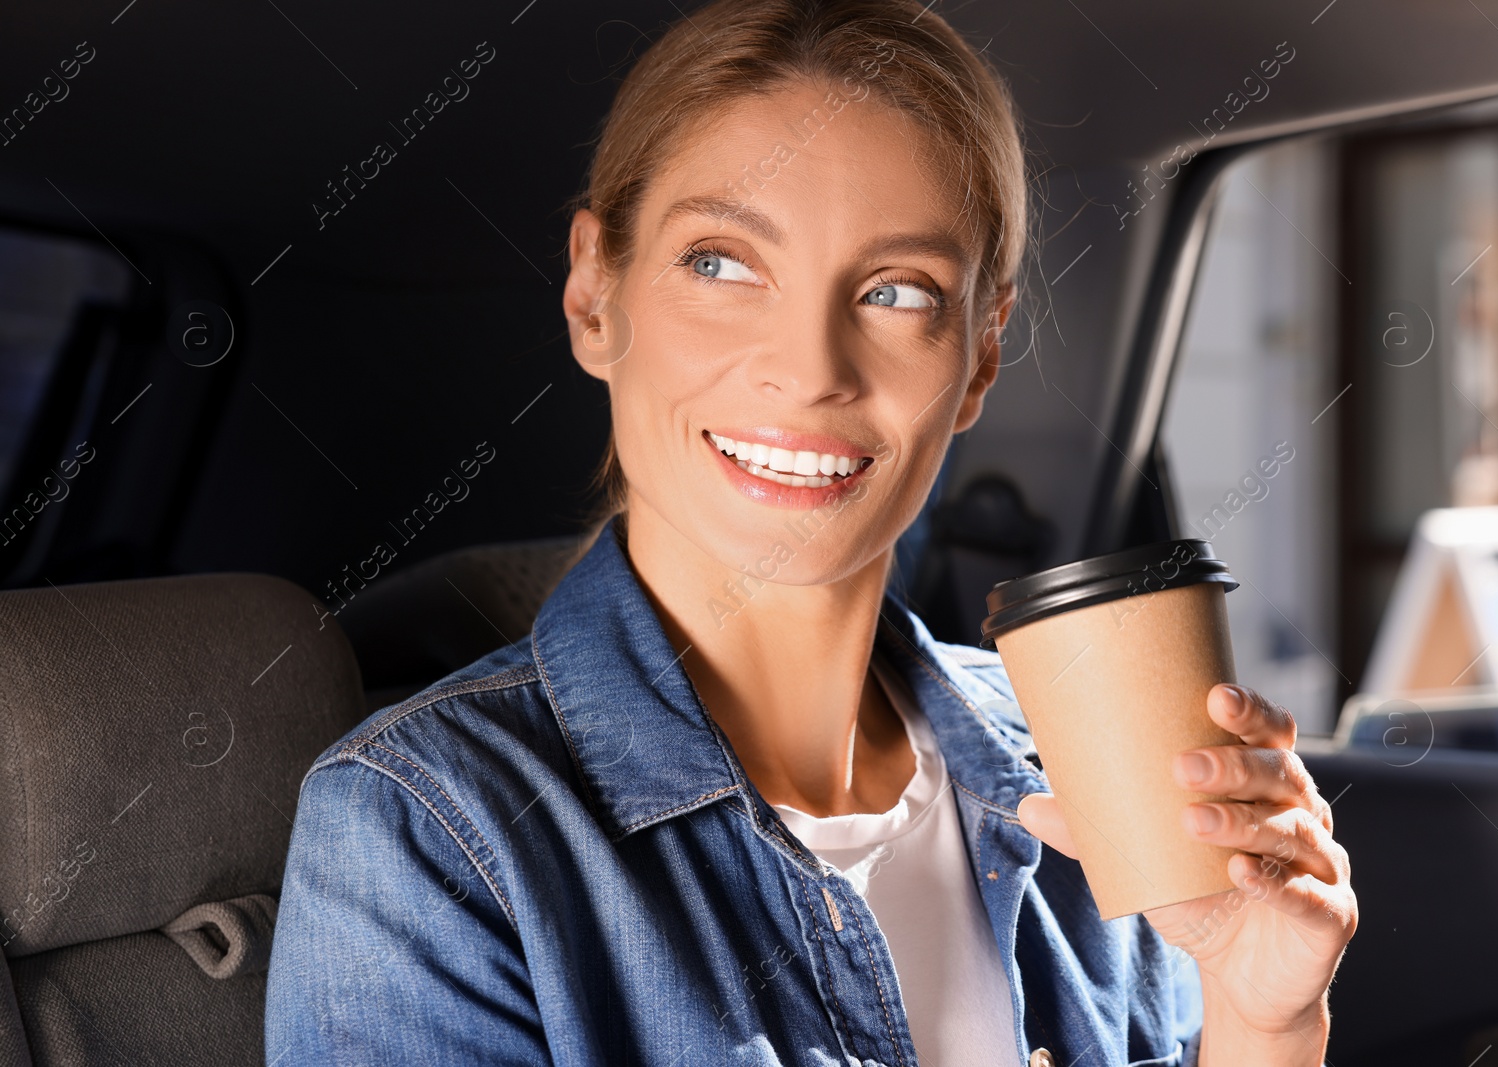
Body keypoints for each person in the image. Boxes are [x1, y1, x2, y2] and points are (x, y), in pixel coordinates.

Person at [264, 1, 1357, 1063]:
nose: (812, 370)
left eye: (895, 291)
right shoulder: (427, 830)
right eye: (721, 263)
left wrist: (1260, 1021)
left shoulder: (1086, 770)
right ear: (596, 295)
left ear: (980, 354)